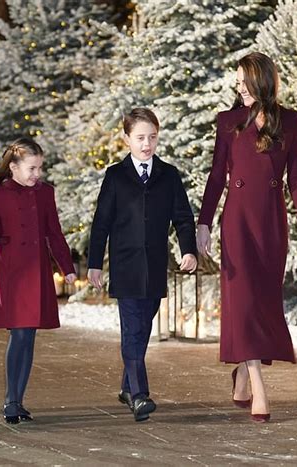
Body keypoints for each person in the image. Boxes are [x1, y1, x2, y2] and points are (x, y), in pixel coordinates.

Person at [197, 52, 297, 423]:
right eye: (237, 83)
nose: (240, 89)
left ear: (263, 82)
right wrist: (203, 223)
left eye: (245, 82)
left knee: (262, 303)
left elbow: (296, 177)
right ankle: (260, 391)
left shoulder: (292, 122)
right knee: (244, 301)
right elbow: (217, 176)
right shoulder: (228, 121)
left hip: (271, 223)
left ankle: (242, 374)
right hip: (236, 222)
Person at [87, 108, 197, 422]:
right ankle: (139, 395)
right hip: (125, 265)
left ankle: (126, 386)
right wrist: (95, 263)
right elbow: (101, 223)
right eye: (140, 138)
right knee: (132, 331)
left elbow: (183, 218)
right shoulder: (115, 176)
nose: (146, 144)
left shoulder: (169, 175)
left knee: (142, 330)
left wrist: (187, 250)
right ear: (127, 139)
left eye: (152, 137)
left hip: (154, 266)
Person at [0, 137, 76, 424]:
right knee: (20, 333)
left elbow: (54, 233)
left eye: (40, 169)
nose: (37, 175)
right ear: (13, 167)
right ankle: (12, 401)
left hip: (36, 269)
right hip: (10, 270)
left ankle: (17, 401)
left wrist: (67, 267)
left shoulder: (45, 193)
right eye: (32, 168)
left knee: (28, 335)